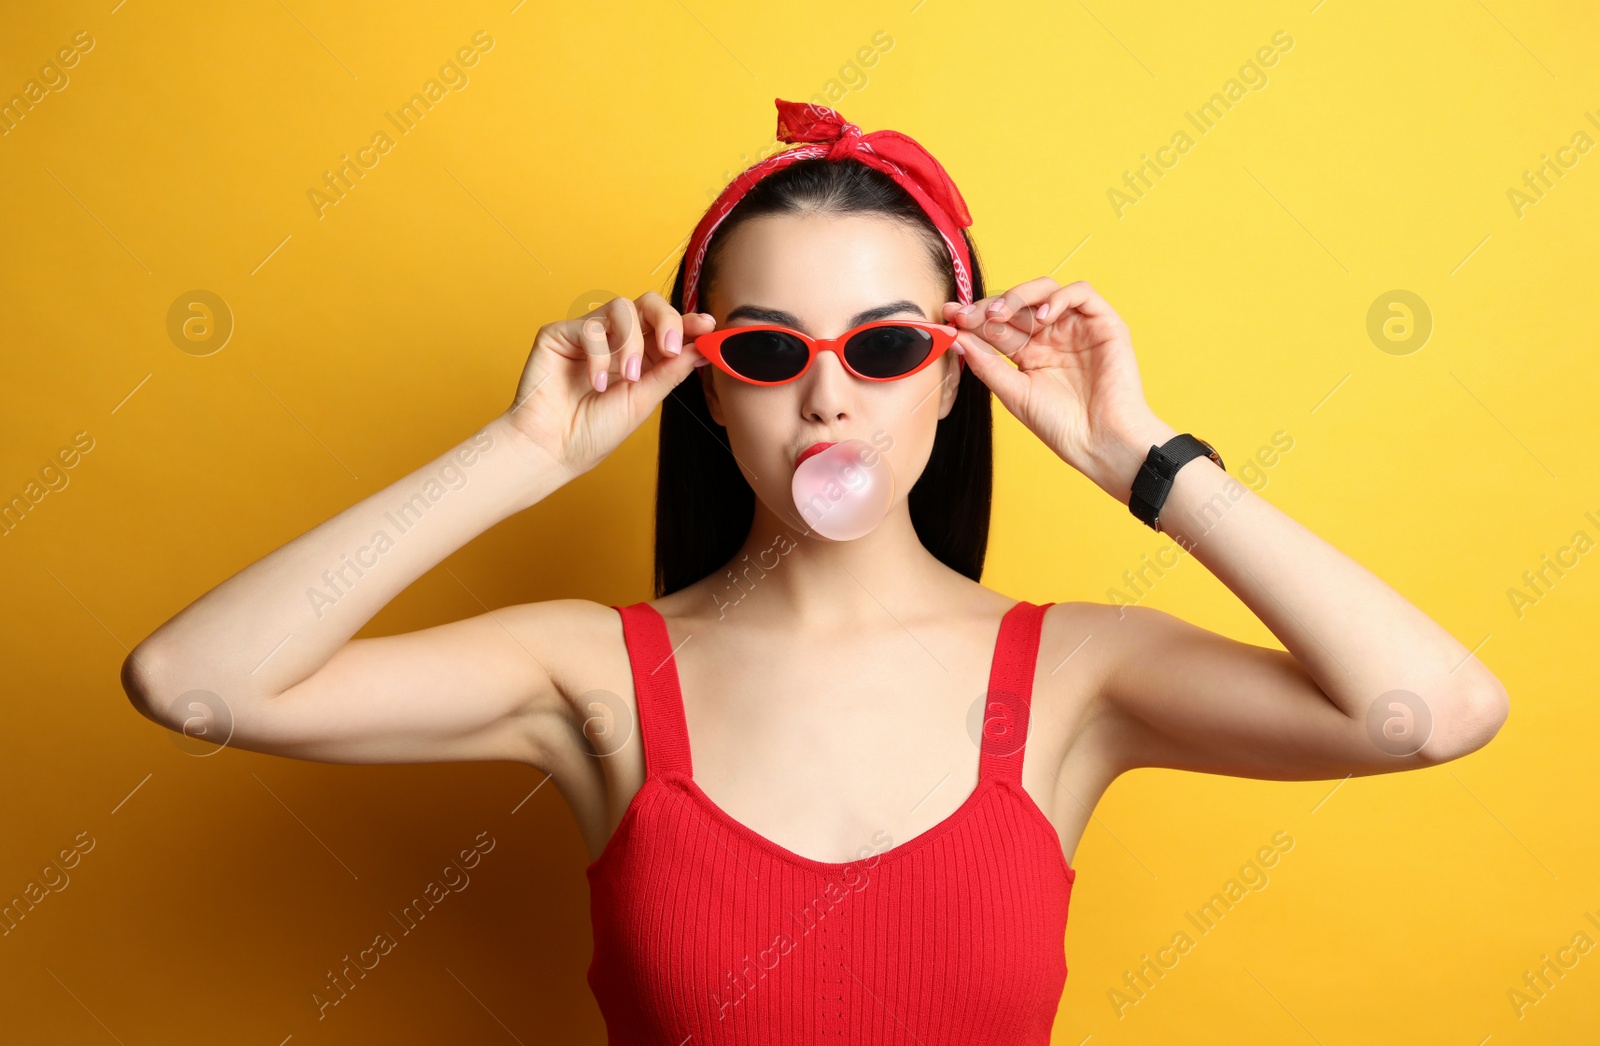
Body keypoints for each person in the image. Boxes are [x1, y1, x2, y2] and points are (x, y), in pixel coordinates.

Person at [121, 98, 1509, 1042]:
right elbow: (193, 680)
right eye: (771, 351)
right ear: (708, 392)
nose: (828, 399)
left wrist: (1138, 453)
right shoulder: (597, 673)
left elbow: (1433, 709)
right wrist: (525, 450)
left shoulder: (1078, 675)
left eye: (887, 346)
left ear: (955, 381)